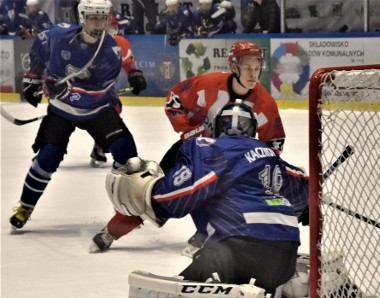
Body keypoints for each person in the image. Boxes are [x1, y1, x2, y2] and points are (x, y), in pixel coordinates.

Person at [105, 101, 309, 298]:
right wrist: (309, 206)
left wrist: (153, 193)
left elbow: (184, 193)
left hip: (237, 251)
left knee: (183, 297)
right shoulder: (270, 156)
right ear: (254, 130)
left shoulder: (209, 147)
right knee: (240, 268)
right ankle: (275, 289)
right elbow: (303, 187)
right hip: (285, 254)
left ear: (216, 128)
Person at [91, 40, 286, 255]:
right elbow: (174, 100)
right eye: (247, 67)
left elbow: (274, 143)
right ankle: (113, 230)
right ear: (234, 66)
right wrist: (186, 128)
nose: (253, 74)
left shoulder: (265, 103)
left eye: (257, 68)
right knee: (155, 192)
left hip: (228, 163)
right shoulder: (208, 83)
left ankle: (207, 233)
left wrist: (253, 164)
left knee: (217, 196)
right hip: (189, 150)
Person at [9, 0, 139, 232]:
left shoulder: (111, 50)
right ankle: (25, 206)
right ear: (82, 18)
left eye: (102, 17)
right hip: (62, 111)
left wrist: (69, 90)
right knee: (47, 158)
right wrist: (32, 77)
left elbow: (98, 92)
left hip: (97, 110)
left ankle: (123, 212)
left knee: (126, 152)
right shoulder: (58, 35)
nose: (99, 23)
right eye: (93, 17)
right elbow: (40, 44)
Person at [89, 12, 146, 167]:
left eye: (112, 27)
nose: (110, 31)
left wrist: (134, 75)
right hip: (80, 90)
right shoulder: (86, 42)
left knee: (114, 109)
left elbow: (129, 66)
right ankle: (50, 148)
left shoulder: (120, 43)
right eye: (106, 27)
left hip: (104, 91)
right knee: (67, 119)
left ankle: (99, 146)